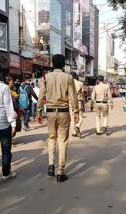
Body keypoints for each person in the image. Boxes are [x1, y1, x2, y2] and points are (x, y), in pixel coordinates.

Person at [37, 54, 79, 183]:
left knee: (51, 138)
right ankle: (60, 171)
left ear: (52, 64)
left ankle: (51, 164)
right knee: (63, 140)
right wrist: (76, 111)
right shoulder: (68, 77)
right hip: (64, 112)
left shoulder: (45, 77)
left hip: (50, 112)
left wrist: (39, 111)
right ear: (63, 65)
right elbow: (72, 96)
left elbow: (41, 95)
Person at [70, 72, 86, 138]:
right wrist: (85, 102)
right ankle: (78, 126)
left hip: (70, 102)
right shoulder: (80, 83)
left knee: (72, 118)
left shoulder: (68, 83)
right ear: (76, 76)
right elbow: (82, 94)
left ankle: (74, 132)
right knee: (80, 116)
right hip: (79, 101)